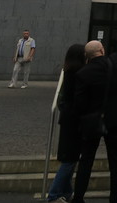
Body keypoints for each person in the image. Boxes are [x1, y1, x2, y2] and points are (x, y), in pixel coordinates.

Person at [70, 40, 117, 203]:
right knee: (116, 160)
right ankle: (116, 199)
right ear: (102, 50)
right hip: (114, 120)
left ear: (87, 55)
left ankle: (78, 198)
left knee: (86, 160)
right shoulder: (115, 65)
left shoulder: (83, 74)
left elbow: (79, 103)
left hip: (92, 121)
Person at [46, 44, 86, 202]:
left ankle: (67, 192)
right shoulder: (79, 73)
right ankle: (54, 195)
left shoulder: (68, 71)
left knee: (71, 158)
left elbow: (63, 98)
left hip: (67, 119)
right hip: (74, 120)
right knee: (70, 160)